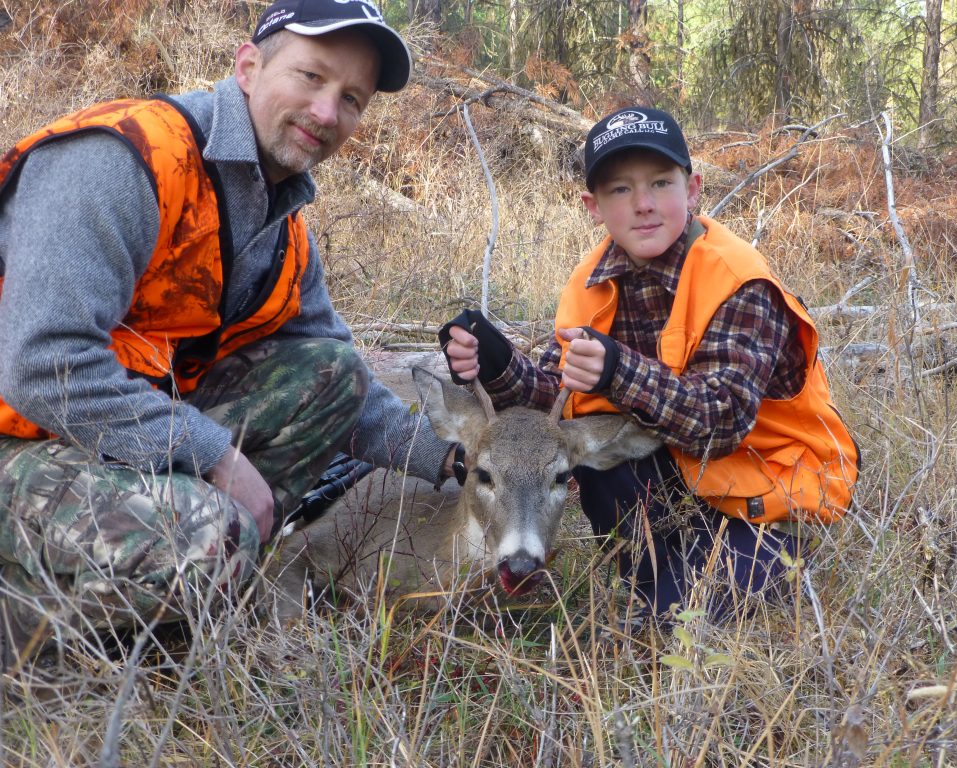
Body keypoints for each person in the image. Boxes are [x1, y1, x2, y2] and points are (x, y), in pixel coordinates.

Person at [0, 0, 458, 674]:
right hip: (20, 436)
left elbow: (346, 384)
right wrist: (213, 455)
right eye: (310, 76)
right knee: (214, 539)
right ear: (248, 66)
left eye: (351, 98)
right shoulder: (123, 160)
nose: (327, 113)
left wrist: (455, 460)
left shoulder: (281, 220)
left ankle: (177, 587)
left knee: (329, 371)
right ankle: (33, 629)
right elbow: (40, 366)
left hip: (107, 438)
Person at [440, 107, 859, 622]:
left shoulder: (737, 280)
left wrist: (618, 371)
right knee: (600, 463)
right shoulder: (590, 282)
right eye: (620, 190)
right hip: (676, 486)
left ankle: (751, 573)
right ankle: (659, 582)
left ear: (694, 188)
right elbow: (557, 406)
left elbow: (720, 422)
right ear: (593, 206)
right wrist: (498, 365)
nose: (643, 205)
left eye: (661, 183)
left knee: (686, 623)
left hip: (768, 496)